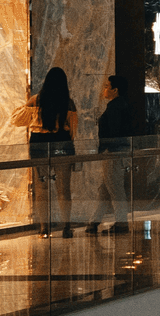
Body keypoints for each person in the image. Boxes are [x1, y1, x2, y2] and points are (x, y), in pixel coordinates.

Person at [19, 68, 79, 237]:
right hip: (62, 146)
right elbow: (73, 130)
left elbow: (19, 120)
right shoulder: (68, 103)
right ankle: (66, 226)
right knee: (63, 189)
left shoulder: (35, 101)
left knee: (41, 188)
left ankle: (44, 228)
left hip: (39, 147)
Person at [91, 73, 141, 234]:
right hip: (118, 152)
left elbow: (112, 132)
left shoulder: (115, 107)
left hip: (114, 153)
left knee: (115, 189)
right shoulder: (122, 105)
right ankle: (94, 222)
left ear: (115, 90)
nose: (104, 89)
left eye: (107, 86)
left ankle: (121, 223)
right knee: (106, 189)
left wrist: (103, 148)